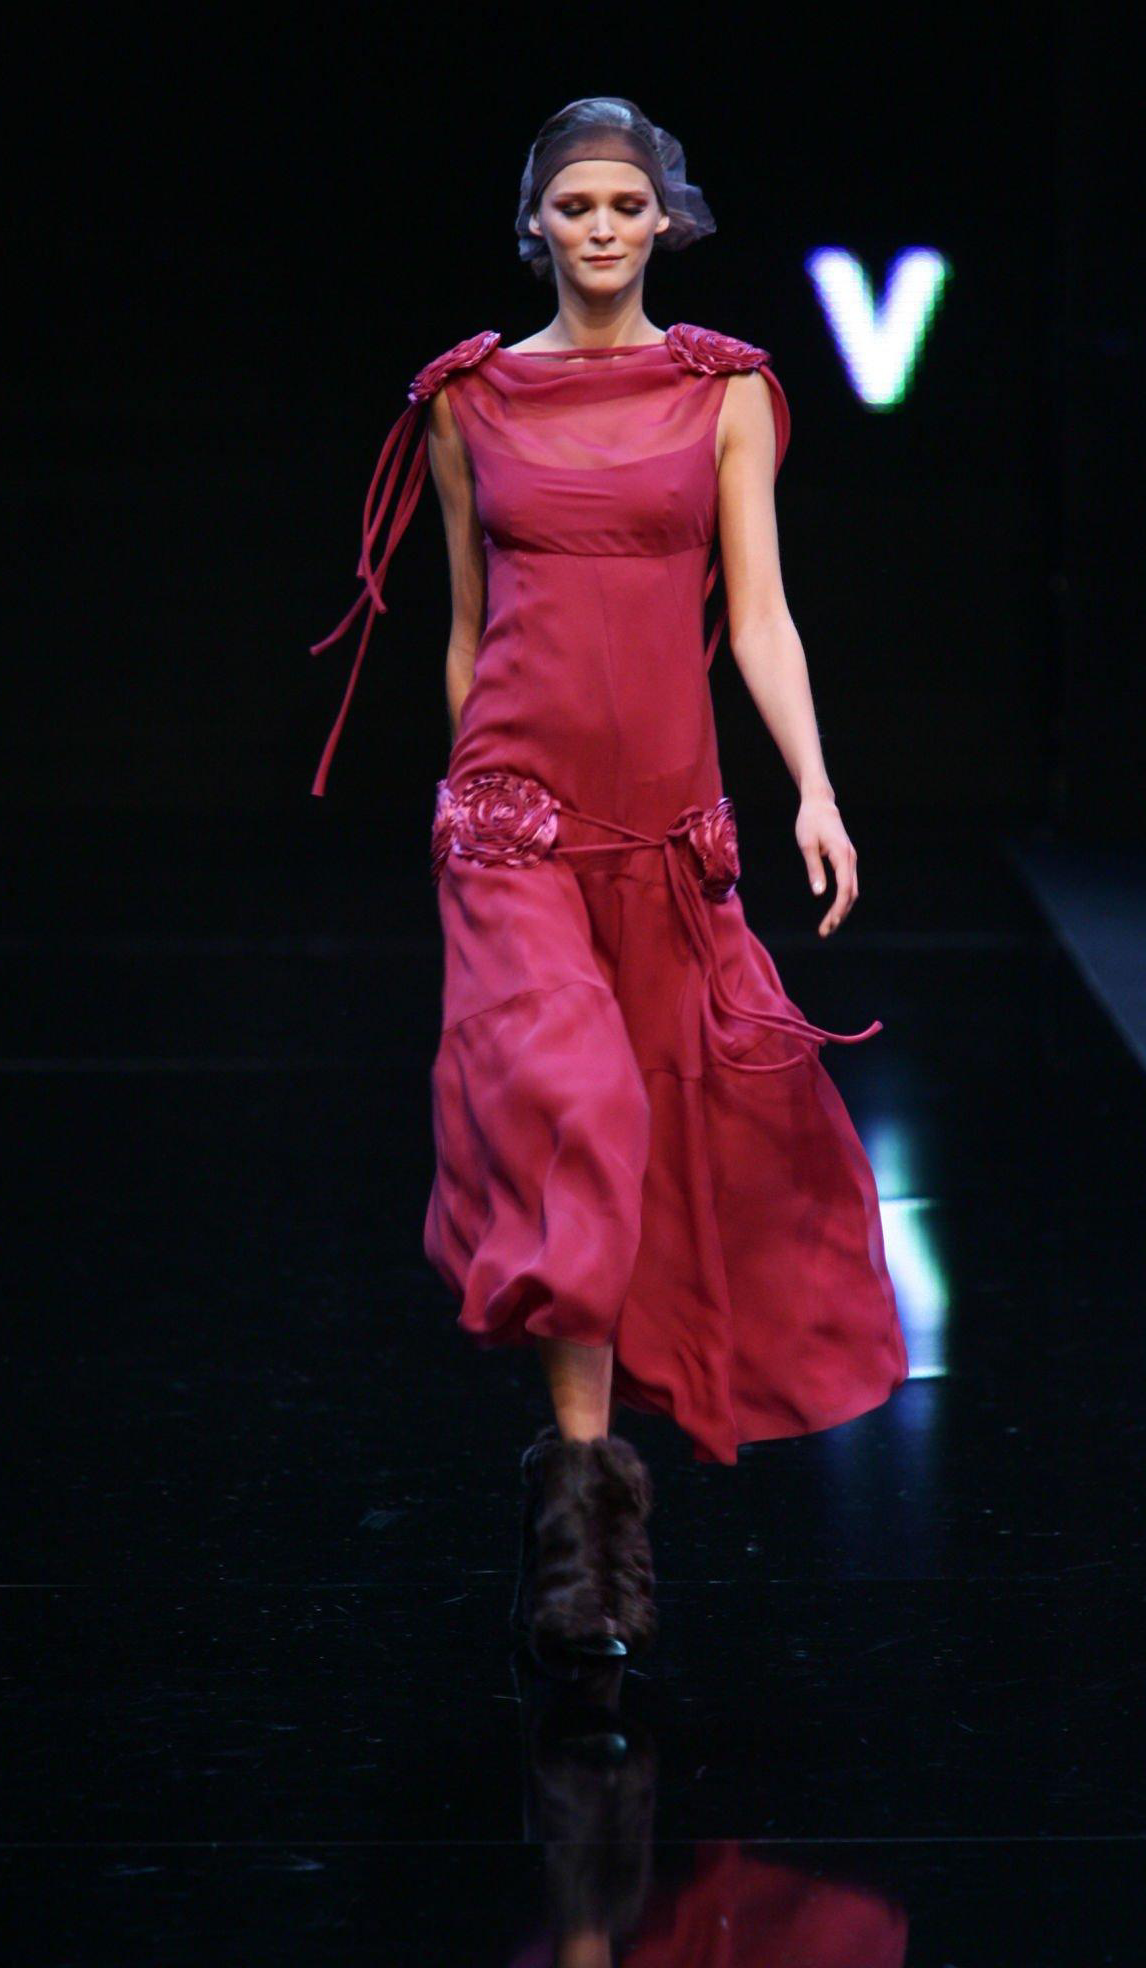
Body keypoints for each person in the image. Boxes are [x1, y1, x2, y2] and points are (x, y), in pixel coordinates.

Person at [308, 95, 909, 1675]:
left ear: (664, 220)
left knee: (655, 1138)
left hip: (663, 829)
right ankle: (585, 1530)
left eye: (623, 204)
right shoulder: (468, 399)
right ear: (535, 222)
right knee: (573, 1110)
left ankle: (586, 1536)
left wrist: (813, 788)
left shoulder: (726, 392)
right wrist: (467, 797)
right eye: (570, 204)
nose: (596, 228)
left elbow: (758, 614)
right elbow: (466, 625)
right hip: (511, 823)